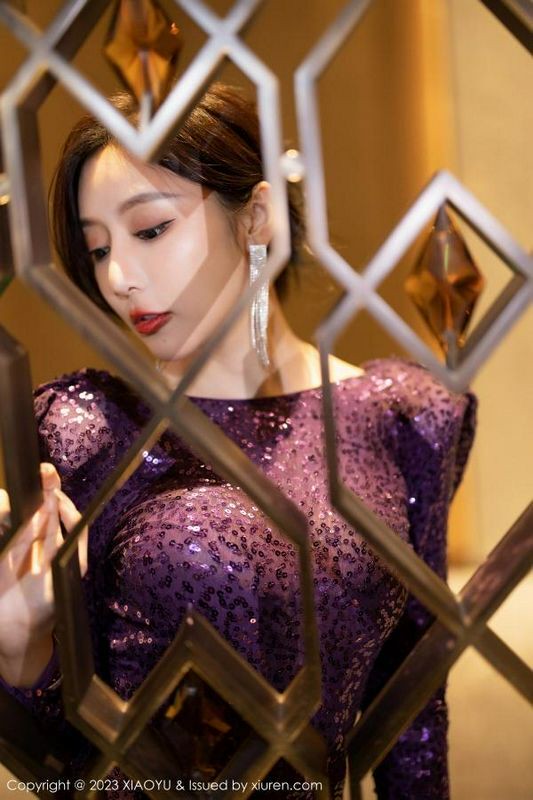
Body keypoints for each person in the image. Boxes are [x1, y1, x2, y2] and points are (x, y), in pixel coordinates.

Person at [0, 84, 477, 799]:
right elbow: (65, 757)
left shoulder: (403, 416)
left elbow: (412, 714)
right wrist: (20, 649)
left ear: (255, 217)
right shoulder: (85, 426)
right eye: (98, 249)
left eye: (150, 230)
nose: (119, 278)